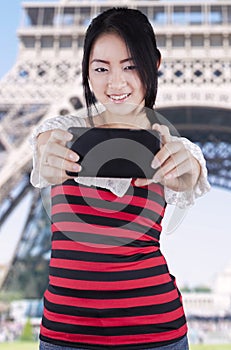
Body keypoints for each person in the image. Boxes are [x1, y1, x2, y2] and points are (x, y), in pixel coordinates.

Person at [30, 7, 210, 350]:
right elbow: (44, 156)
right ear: (87, 71)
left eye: (130, 66)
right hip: (65, 336)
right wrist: (48, 164)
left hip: (156, 332)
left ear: (154, 64)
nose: (115, 82)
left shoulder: (173, 148)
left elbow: (190, 176)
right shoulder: (57, 134)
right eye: (101, 68)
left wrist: (185, 172)